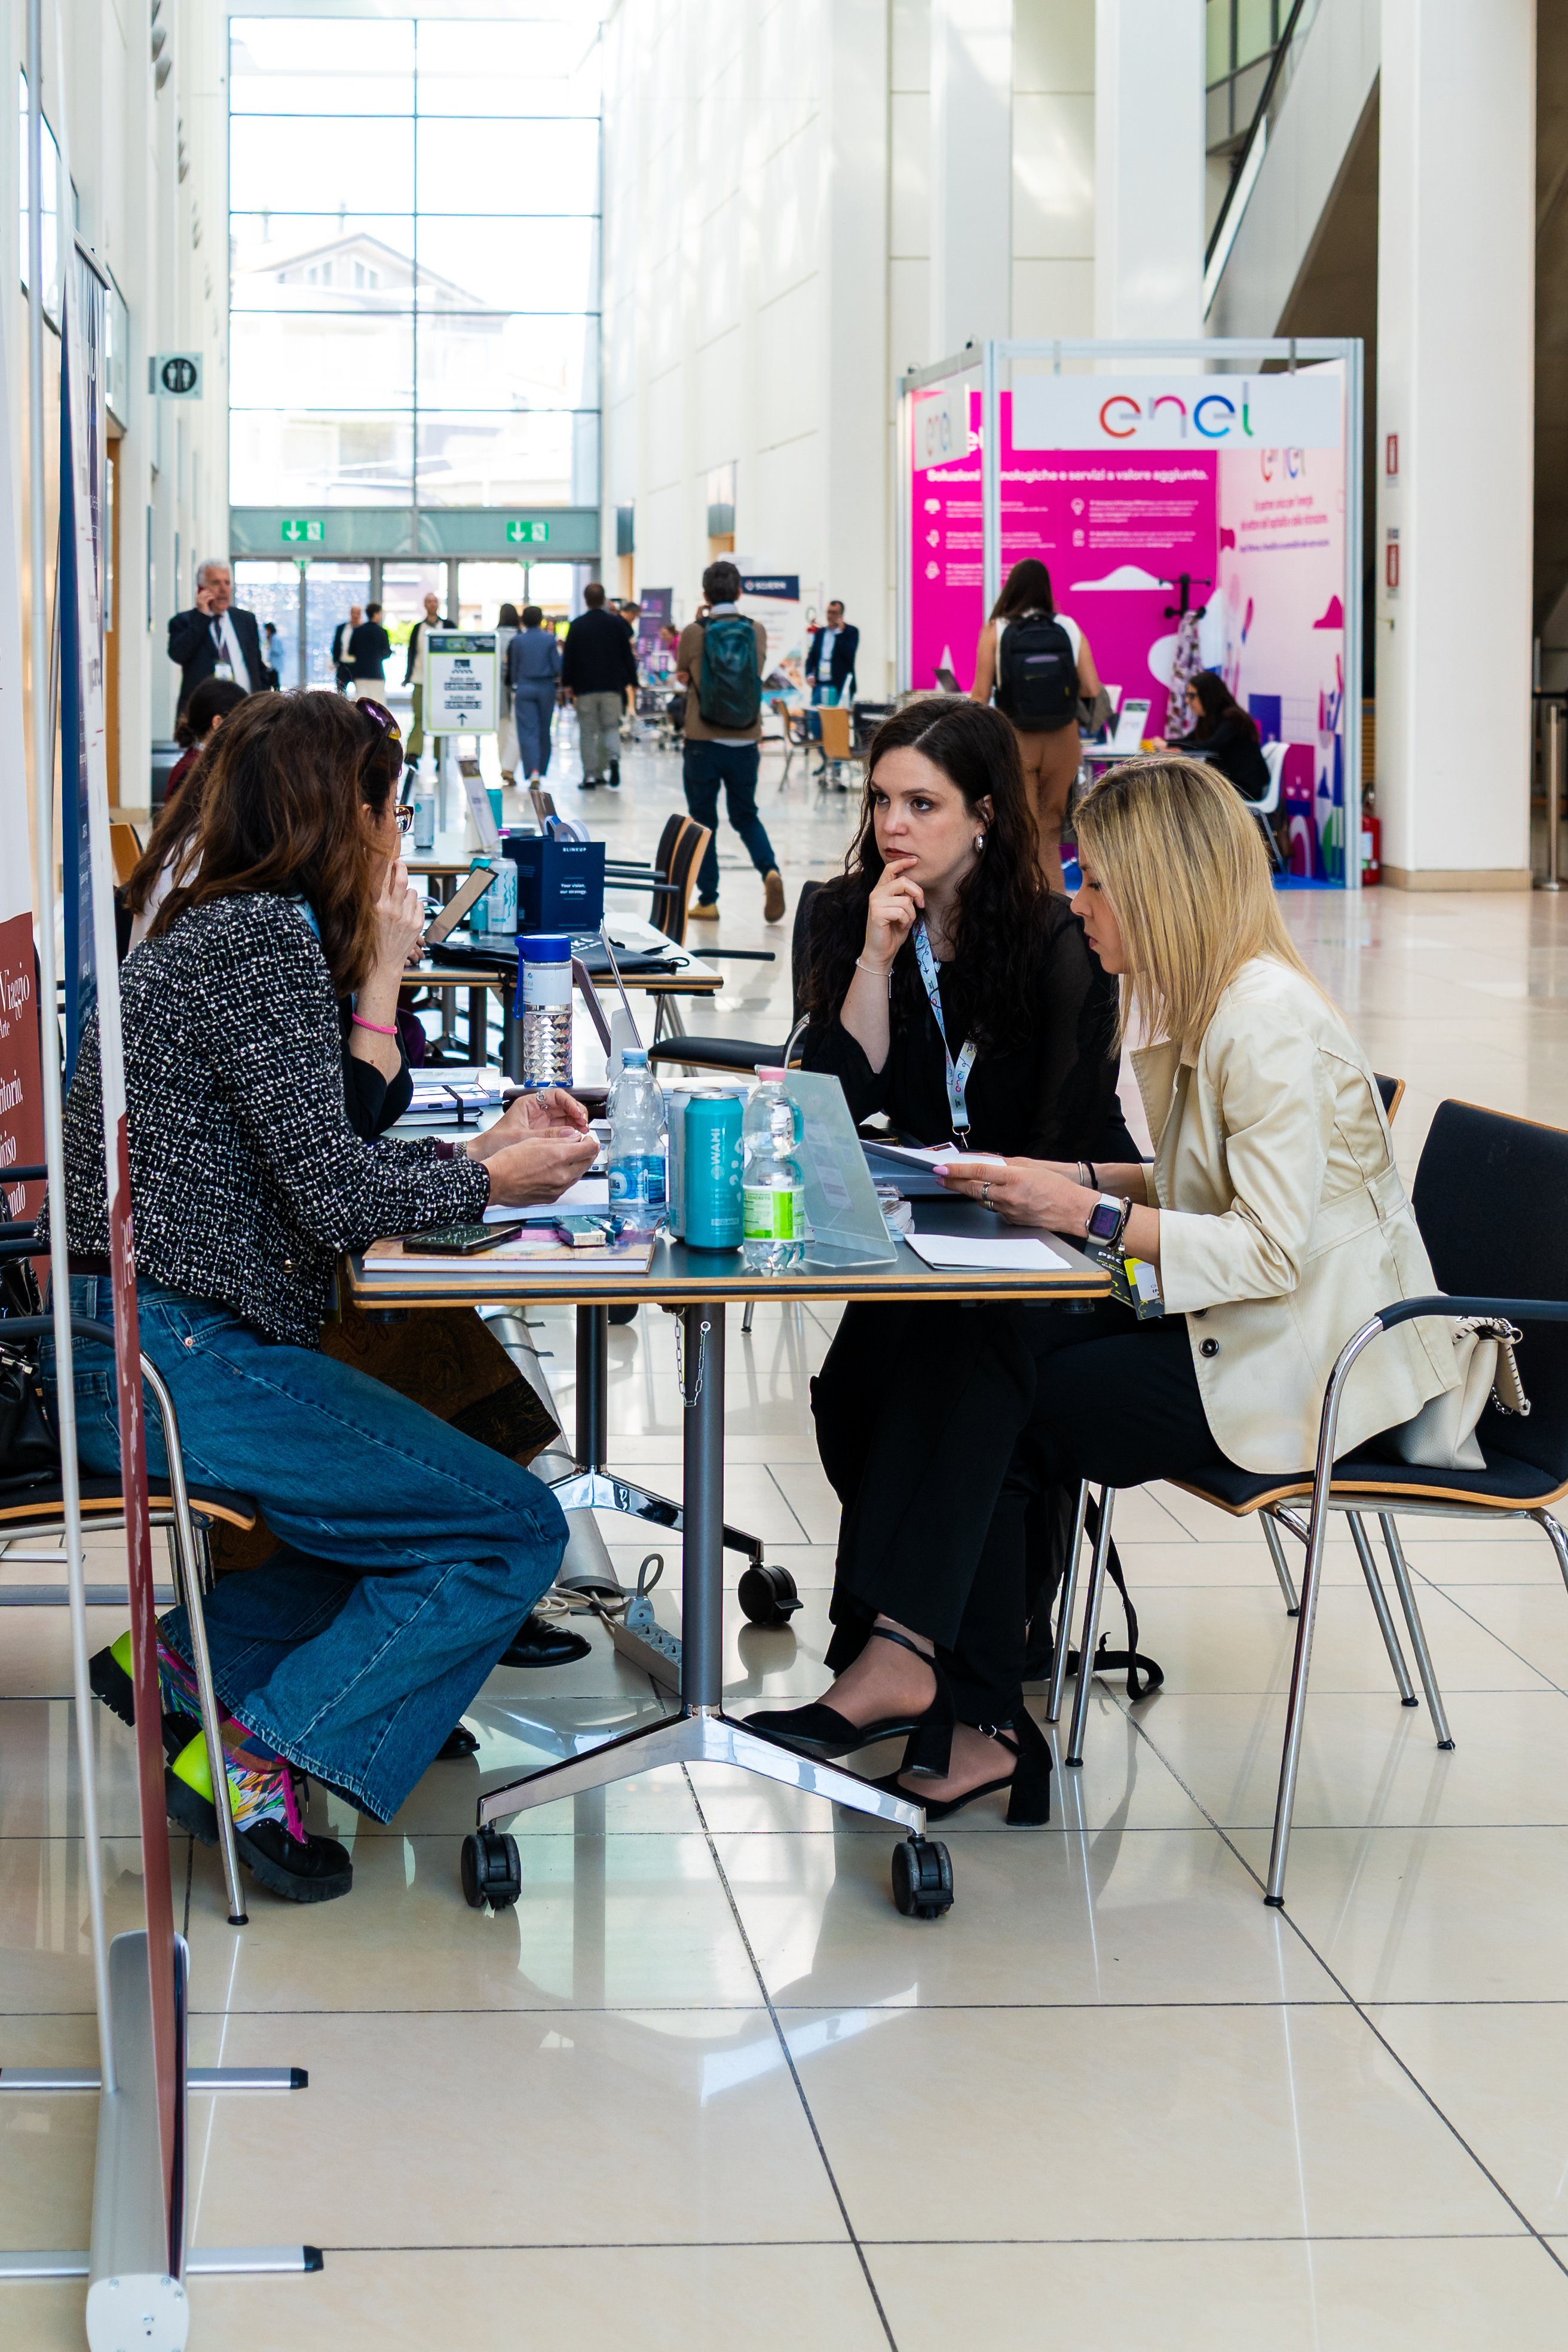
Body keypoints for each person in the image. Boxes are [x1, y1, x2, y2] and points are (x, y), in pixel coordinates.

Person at [753, 754, 1463, 1823]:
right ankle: (907, 1655)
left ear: (1163, 889)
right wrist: (1068, 1178)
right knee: (957, 1342)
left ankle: (968, 1707)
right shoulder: (1218, 1002)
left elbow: (1268, 1253)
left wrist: (1080, 1212)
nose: (1077, 903)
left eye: (1096, 882)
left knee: (1001, 1408)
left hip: (1298, 1357)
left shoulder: (1263, 1020)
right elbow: (1197, 1184)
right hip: (1229, 1317)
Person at [40, 691, 602, 1904]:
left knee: (412, 1505)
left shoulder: (220, 928)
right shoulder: (259, 943)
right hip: (163, 1353)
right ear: (345, 813)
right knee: (510, 1527)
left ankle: (186, 1669)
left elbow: (318, 1154)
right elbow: (336, 1194)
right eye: (390, 810)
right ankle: (260, 1754)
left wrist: (482, 1149)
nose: (399, 838)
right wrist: (490, 1178)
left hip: (131, 1333)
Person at [745, 698, 1131, 1807]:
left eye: (923, 804)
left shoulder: (1056, 940)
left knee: (957, 1368)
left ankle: (904, 1656)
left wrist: (1000, 1187)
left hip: (1051, 1246)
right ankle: (932, 1653)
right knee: (851, 1397)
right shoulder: (845, 915)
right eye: (881, 800)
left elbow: (1069, 1143)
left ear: (985, 815)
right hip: (923, 1242)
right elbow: (831, 1103)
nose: (894, 826)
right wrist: (875, 959)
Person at [970, 558, 1101, 895]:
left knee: (1022, 831)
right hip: (1064, 739)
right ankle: (1055, 908)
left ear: (1011, 588)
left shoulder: (996, 629)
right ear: (1046, 589)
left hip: (1016, 739)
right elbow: (1091, 687)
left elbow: (980, 695)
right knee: (1050, 831)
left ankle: (1023, 910)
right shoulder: (1068, 627)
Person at [675, 560, 786, 924]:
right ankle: (770, 871)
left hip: (702, 741)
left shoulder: (694, 632)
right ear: (739, 592)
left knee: (704, 821)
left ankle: (708, 900)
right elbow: (754, 672)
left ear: (705, 594)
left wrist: (699, 625)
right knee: (745, 815)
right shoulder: (756, 631)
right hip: (745, 740)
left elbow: (683, 676)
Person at [167, 561, 272, 719]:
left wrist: (263, 701)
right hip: (203, 715)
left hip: (246, 713)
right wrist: (202, 617)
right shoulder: (185, 621)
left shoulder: (246, 620)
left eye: (227, 583)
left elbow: (256, 665)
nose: (223, 589)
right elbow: (178, 654)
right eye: (216, 583)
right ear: (201, 589)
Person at [560, 580, 637, 789]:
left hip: (585, 688)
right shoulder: (615, 624)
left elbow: (569, 658)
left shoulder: (578, 625)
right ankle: (612, 760)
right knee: (610, 727)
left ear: (586, 601)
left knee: (587, 731)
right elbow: (627, 655)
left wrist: (568, 684)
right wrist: (633, 681)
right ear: (604, 599)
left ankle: (590, 776)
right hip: (612, 686)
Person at [1153, 669, 1271, 800]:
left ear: (1208, 695)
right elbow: (1190, 739)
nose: (1187, 700)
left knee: (1183, 794)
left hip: (1244, 788)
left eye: (1192, 696)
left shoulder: (1233, 718)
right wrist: (1167, 744)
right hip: (1226, 784)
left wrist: (1168, 744)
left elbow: (1211, 745)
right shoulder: (1210, 719)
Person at [161, 676, 250, 807]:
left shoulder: (195, 762)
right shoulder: (198, 772)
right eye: (242, 720)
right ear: (218, 722)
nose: (246, 729)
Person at [506, 605, 563, 782]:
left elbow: (514, 669)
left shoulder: (518, 641)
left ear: (523, 620)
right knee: (544, 729)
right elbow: (557, 667)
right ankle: (541, 767)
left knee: (527, 731)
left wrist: (516, 686)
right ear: (541, 620)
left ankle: (533, 772)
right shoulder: (549, 639)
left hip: (525, 687)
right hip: (546, 688)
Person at [403, 590, 452, 761]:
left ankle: (441, 755)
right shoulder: (418, 628)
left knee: (440, 717)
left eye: (434, 601)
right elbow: (412, 653)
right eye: (429, 601)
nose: (432, 604)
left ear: (438, 605)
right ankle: (414, 752)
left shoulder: (448, 626)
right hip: (420, 679)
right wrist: (407, 676)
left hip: (442, 682)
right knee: (419, 716)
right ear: (425, 605)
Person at [804, 599, 859, 706]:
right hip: (820, 683)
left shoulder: (851, 632)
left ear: (841, 615)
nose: (830, 616)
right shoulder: (821, 632)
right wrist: (809, 674)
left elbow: (849, 655)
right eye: (829, 612)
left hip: (839, 684)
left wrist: (840, 633)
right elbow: (811, 657)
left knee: (836, 715)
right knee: (815, 713)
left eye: (834, 613)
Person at [495, 602, 522, 781]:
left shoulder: (494, 636)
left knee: (502, 729)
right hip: (517, 687)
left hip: (497, 688)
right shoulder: (520, 636)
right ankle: (509, 767)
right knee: (515, 728)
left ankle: (503, 766)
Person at [347, 601, 392, 697]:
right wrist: (377, 657)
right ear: (376, 614)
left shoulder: (358, 631)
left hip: (360, 673)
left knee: (361, 700)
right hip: (376, 672)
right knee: (377, 700)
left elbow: (351, 651)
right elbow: (387, 652)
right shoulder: (382, 632)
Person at [332, 605, 362, 694]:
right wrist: (336, 661)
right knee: (340, 692)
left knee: (360, 692)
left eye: (358, 613)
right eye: (353, 613)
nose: (355, 616)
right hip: (343, 665)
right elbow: (336, 645)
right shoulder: (342, 628)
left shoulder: (363, 629)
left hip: (358, 666)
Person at [261, 619, 286, 691]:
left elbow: (275, 650)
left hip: (275, 665)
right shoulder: (271, 638)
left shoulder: (275, 639)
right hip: (272, 665)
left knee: (275, 683)